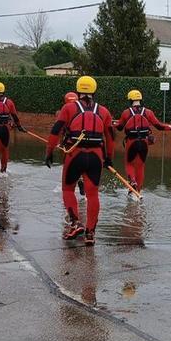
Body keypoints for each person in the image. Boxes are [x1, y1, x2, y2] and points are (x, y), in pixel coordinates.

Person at [44, 76, 115, 246]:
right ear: (94, 91)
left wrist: (49, 152)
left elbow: (56, 131)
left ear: (78, 91)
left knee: (68, 190)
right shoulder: (104, 111)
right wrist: (109, 159)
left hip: (74, 154)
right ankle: (90, 233)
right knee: (92, 195)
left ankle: (76, 224)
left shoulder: (68, 108)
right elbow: (110, 137)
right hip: (96, 157)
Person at [114, 89, 171, 192]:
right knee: (140, 166)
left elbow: (120, 127)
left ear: (130, 100)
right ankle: (138, 191)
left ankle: (132, 181)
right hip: (144, 142)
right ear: (140, 99)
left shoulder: (126, 113)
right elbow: (159, 126)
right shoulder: (148, 112)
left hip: (131, 142)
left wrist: (115, 124)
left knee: (129, 164)